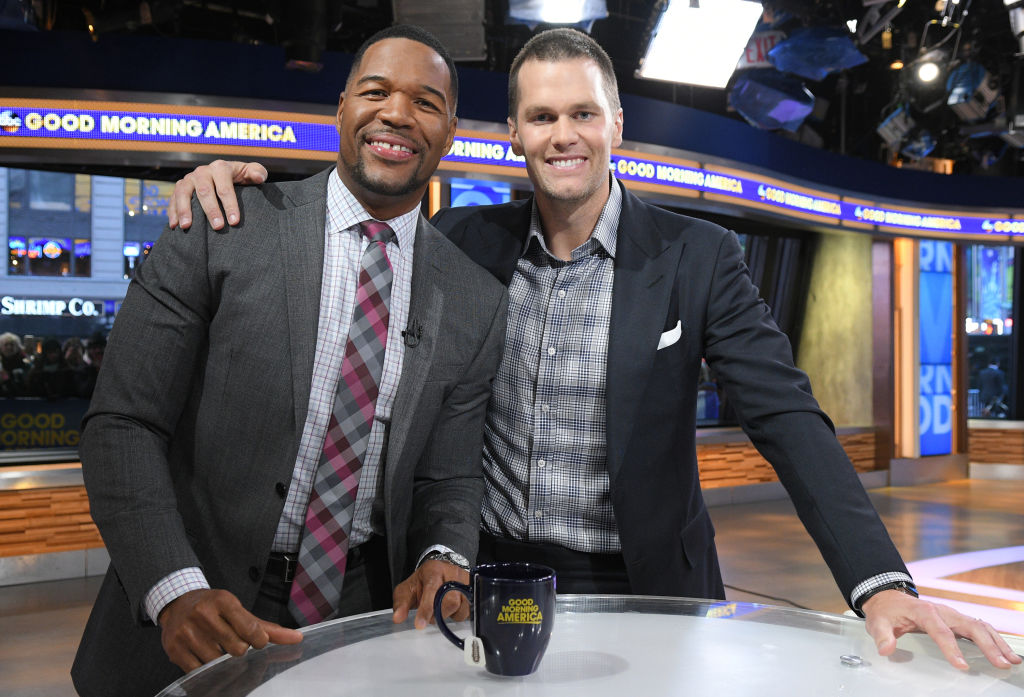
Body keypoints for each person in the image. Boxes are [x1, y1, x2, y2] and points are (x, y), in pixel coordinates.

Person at [169, 28, 1020, 672]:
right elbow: (349, 236)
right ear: (514, 132)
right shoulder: (458, 242)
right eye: (542, 116)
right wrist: (239, 184)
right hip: (483, 581)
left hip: (648, 580)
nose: (563, 134)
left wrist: (880, 580)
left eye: (582, 113)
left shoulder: (697, 255)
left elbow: (788, 417)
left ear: (617, 123)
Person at [73, 25, 508, 697]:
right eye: (376, 90)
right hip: (193, 603)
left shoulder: (477, 300)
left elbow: (449, 478)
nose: (397, 112)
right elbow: (123, 424)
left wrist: (445, 555)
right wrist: (174, 589)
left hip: (359, 624)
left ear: (450, 130)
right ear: (341, 109)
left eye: (426, 102)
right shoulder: (223, 224)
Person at [0, 332, 30, 398]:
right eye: (6, 345)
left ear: (17, 346)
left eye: (12, 344)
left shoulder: (24, 361)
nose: (9, 347)